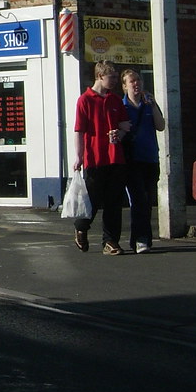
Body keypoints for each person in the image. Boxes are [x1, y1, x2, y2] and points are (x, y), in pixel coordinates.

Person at [72, 60, 132, 255]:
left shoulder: (115, 100)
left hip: (116, 158)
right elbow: (79, 130)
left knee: (114, 202)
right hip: (95, 158)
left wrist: (119, 134)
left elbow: (125, 125)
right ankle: (81, 228)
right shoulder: (85, 100)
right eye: (111, 77)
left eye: (116, 77)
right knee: (93, 200)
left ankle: (111, 241)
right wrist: (79, 157)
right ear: (99, 76)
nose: (114, 81)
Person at [121, 69, 165, 253]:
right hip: (132, 160)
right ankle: (141, 240)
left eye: (138, 80)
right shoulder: (122, 107)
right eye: (132, 82)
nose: (136, 84)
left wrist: (153, 106)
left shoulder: (148, 105)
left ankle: (139, 239)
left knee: (147, 201)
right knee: (138, 200)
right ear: (125, 86)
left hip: (150, 158)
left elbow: (161, 126)